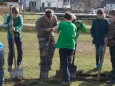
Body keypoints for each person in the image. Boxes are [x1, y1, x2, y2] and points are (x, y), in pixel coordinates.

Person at [55, 12, 77, 86]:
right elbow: (75, 35)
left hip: (63, 46)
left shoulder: (62, 24)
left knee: (64, 65)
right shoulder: (74, 26)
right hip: (71, 47)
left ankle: (66, 80)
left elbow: (57, 31)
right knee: (67, 64)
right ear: (71, 19)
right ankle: (65, 78)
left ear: (64, 18)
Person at [2, 6, 23, 71]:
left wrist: (15, 29)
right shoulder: (8, 17)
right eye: (14, 15)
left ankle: (18, 64)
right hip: (10, 36)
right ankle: (10, 65)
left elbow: (21, 26)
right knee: (11, 51)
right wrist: (8, 24)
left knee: (20, 50)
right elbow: (3, 25)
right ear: (11, 13)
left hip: (17, 36)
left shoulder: (20, 17)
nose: (15, 16)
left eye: (16, 14)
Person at [105, 10, 115, 84]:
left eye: (112, 17)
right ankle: (113, 72)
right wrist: (106, 37)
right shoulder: (111, 24)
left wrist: (109, 38)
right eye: (110, 17)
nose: (110, 18)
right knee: (113, 59)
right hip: (111, 45)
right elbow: (109, 33)